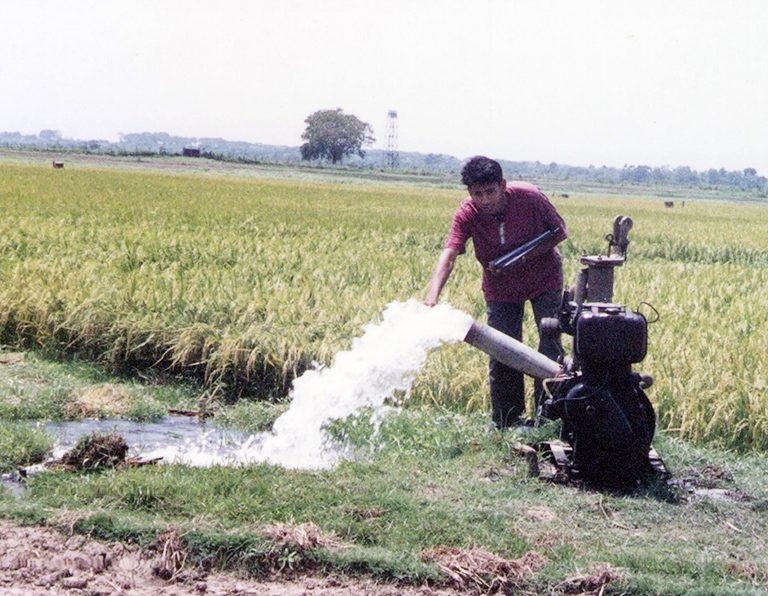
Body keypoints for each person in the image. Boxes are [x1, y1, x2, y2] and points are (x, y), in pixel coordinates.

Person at [424, 156, 568, 429]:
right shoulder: (468, 213)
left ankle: (547, 417)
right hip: (500, 286)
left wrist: (522, 257)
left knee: (549, 346)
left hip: (544, 279)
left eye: (490, 192)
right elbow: (450, 253)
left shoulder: (529, 197)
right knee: (502, 348)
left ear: (502, 185)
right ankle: (506, 420)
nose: (485, 200)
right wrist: (432, 298)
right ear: (469, 193)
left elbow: (560, 231)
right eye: (477, 194)